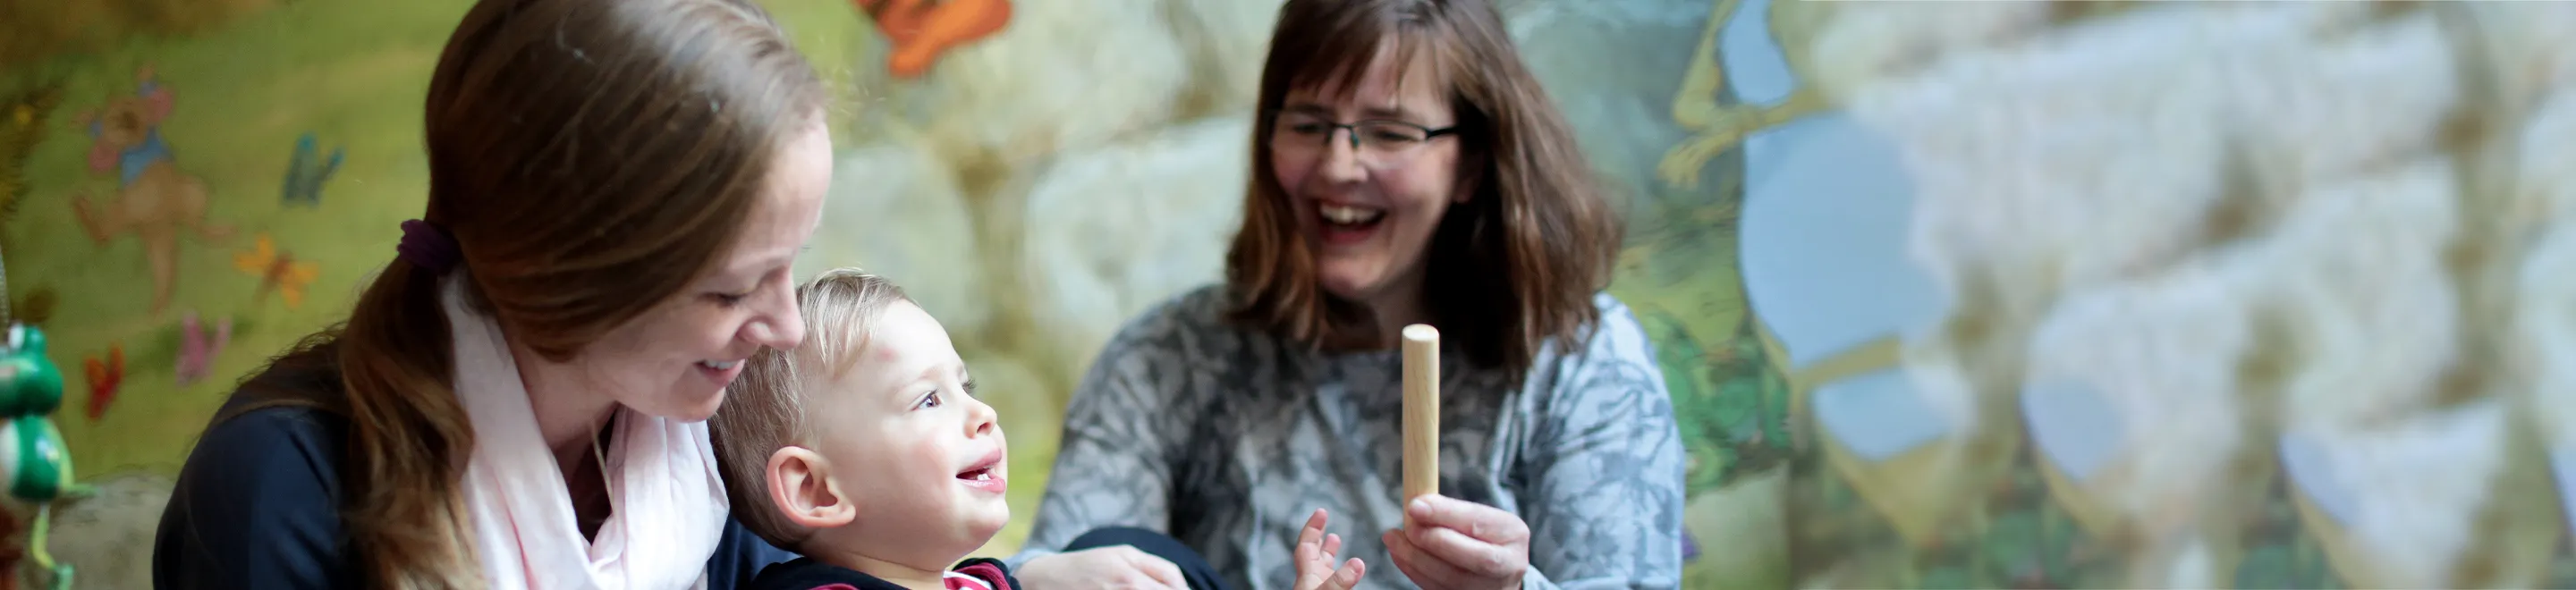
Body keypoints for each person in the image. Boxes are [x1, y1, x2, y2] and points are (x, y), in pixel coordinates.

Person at [150, 0, 831, 587]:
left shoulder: (708, 457)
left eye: (790, 263)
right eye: (731, 292)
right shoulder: (281, 489)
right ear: (566, 274)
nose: (787, 326)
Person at [1007, 0, 1685, 588]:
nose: (1338, 166)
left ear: (1473, 163)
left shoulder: (1583, 361)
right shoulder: (1166, 359)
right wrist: (1034, 576)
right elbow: (1070, 556)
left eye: (1391, 132)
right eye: (1307, 124)